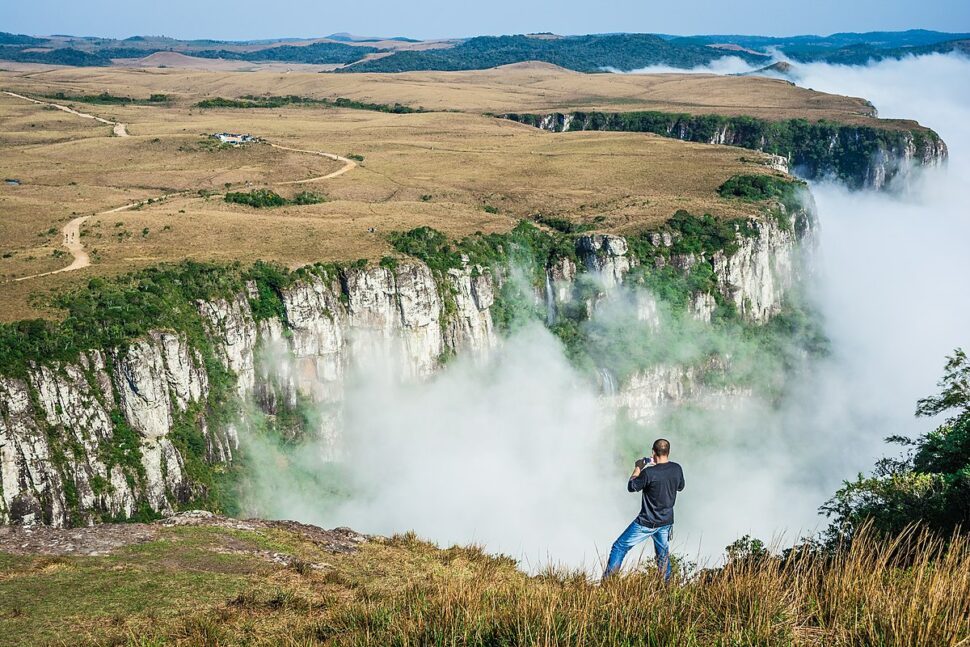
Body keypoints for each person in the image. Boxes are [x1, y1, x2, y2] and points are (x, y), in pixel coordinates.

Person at [603, 438, 685, 581]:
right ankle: (667, 587)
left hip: (646, 522)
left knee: (619, 547)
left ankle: (608, 583)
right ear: (668, 452)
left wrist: (638, 467)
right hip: (666, 521)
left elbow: (632, 486)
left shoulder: (648, 473)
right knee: (662, 556)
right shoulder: (677, 468)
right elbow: (680, 487)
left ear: (653, 453)